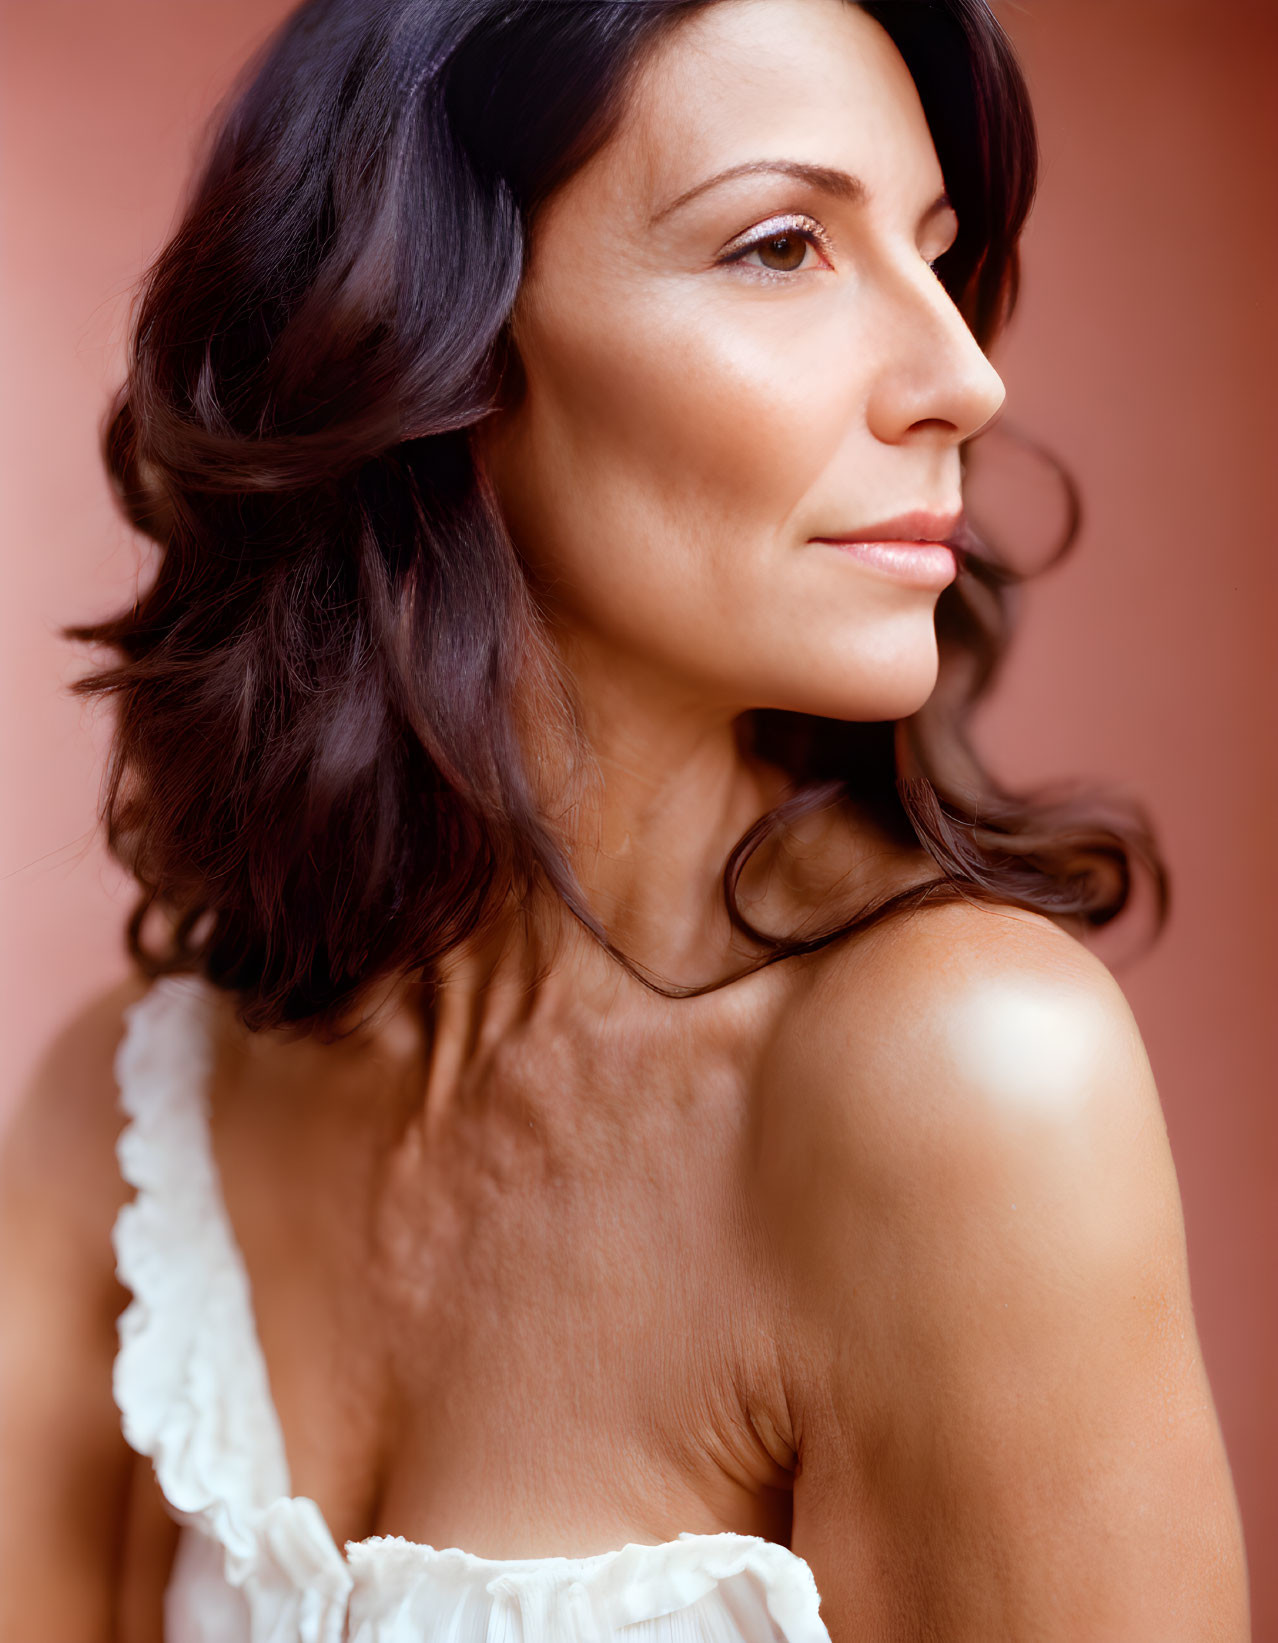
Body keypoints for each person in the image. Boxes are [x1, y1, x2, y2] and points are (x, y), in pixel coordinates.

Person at [0, 0, 1251, 1637]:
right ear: (421, 337)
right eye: (783, 244)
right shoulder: (131, 1117)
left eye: (936, 253)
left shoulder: (964, 1083)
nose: (963, 374)